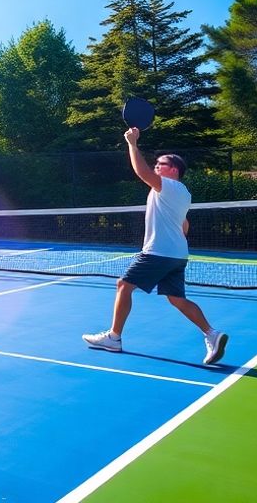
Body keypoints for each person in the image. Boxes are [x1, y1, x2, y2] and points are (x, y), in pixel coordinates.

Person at [82, 127, 229, 366]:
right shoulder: (182, 193)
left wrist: (132, 143)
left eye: (160, 164)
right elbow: (184, 227)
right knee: (177, 299)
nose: (156, 166)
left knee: (123, 286)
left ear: (173, 169)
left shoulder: (168, 187)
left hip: (158, 252)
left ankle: (114, 337)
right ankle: (212, 334)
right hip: (177, 255)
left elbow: (141, 172)